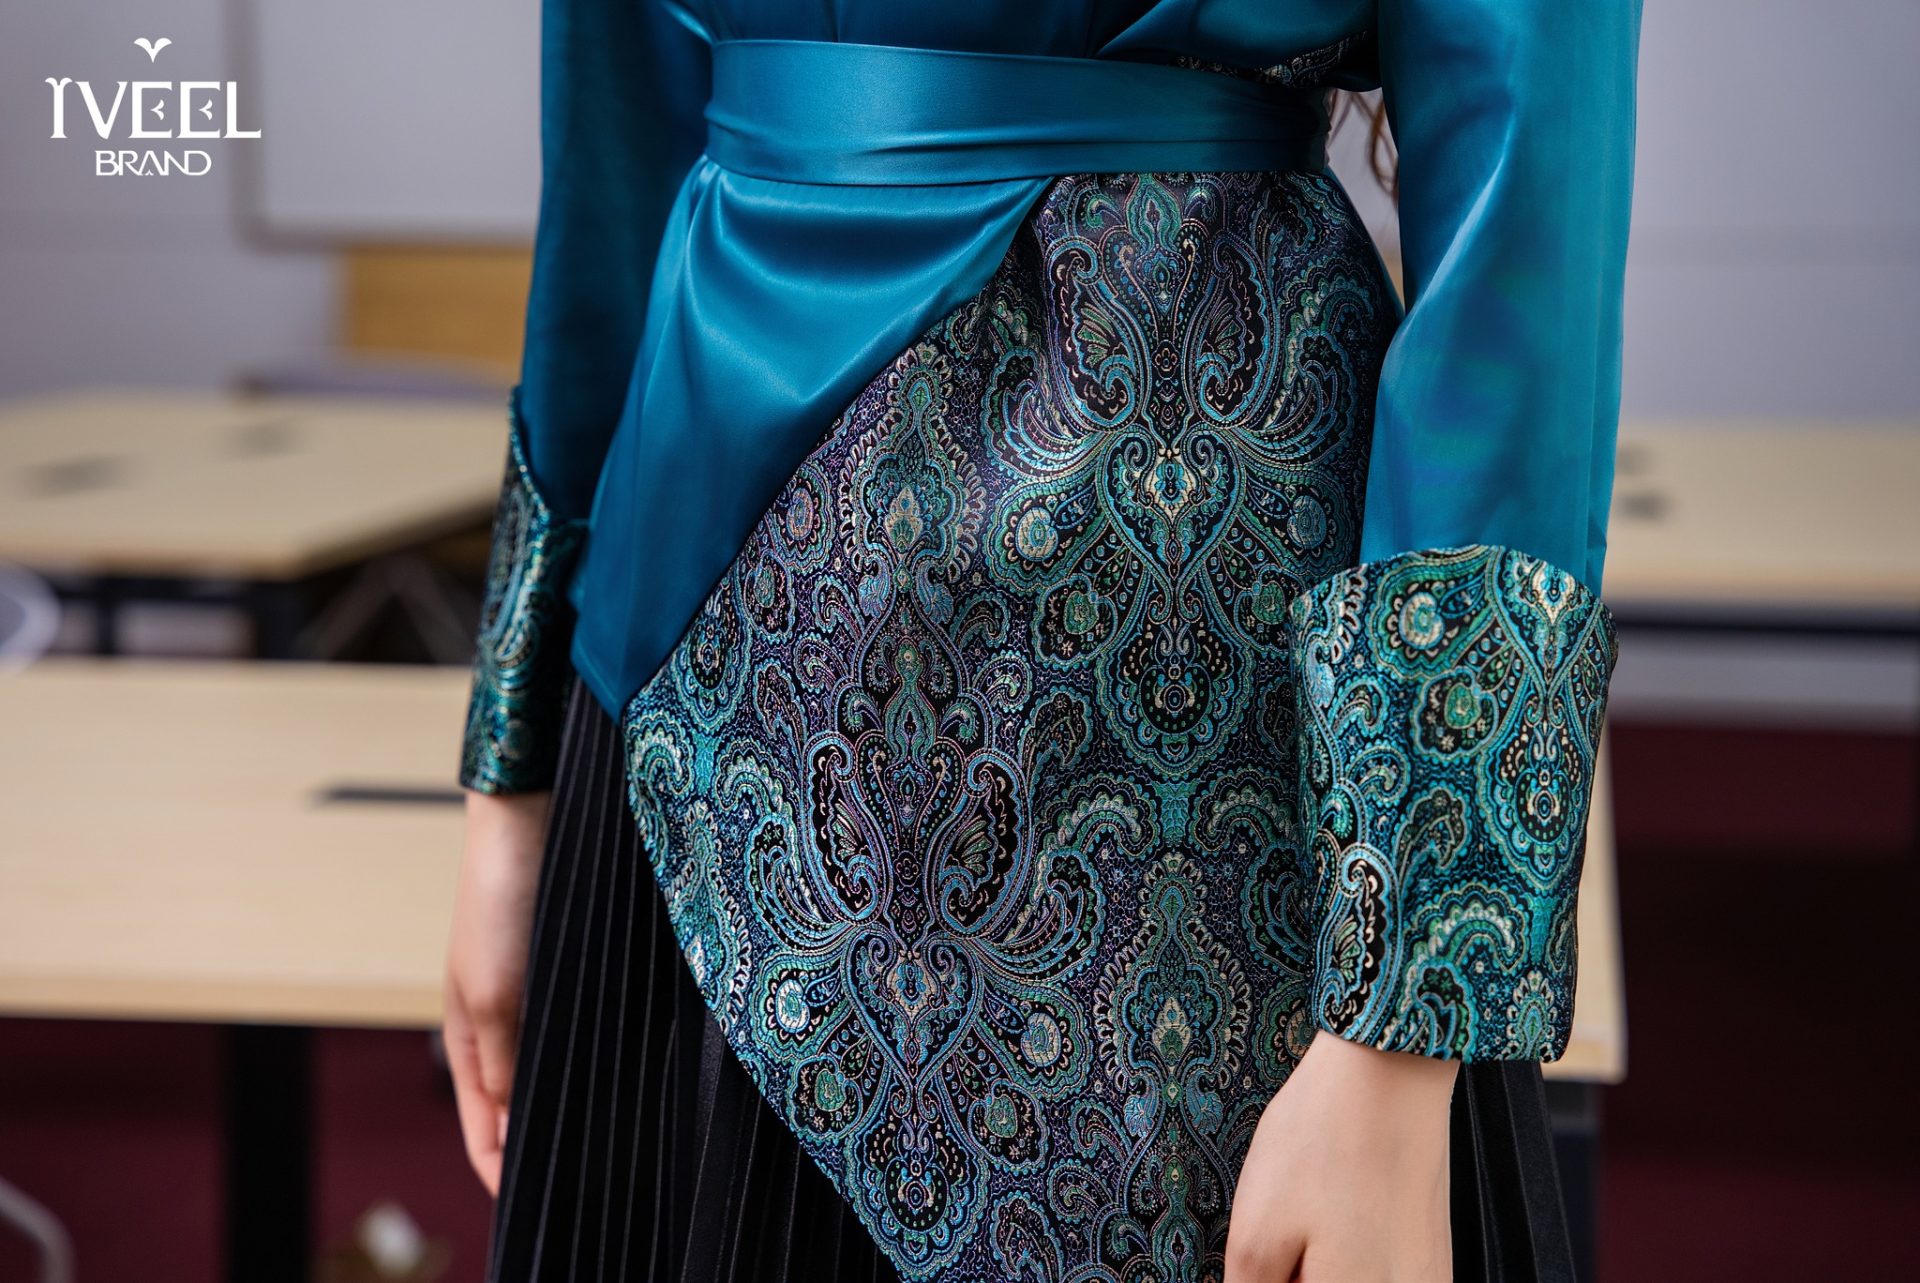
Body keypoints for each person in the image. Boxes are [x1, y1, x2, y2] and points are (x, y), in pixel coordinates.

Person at [443, 2, 1641, 1280]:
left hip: (1180, 677)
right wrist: (511, 782)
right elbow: (617, 119)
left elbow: (1524, 203)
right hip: (681, 669)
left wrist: (1401, 1019)